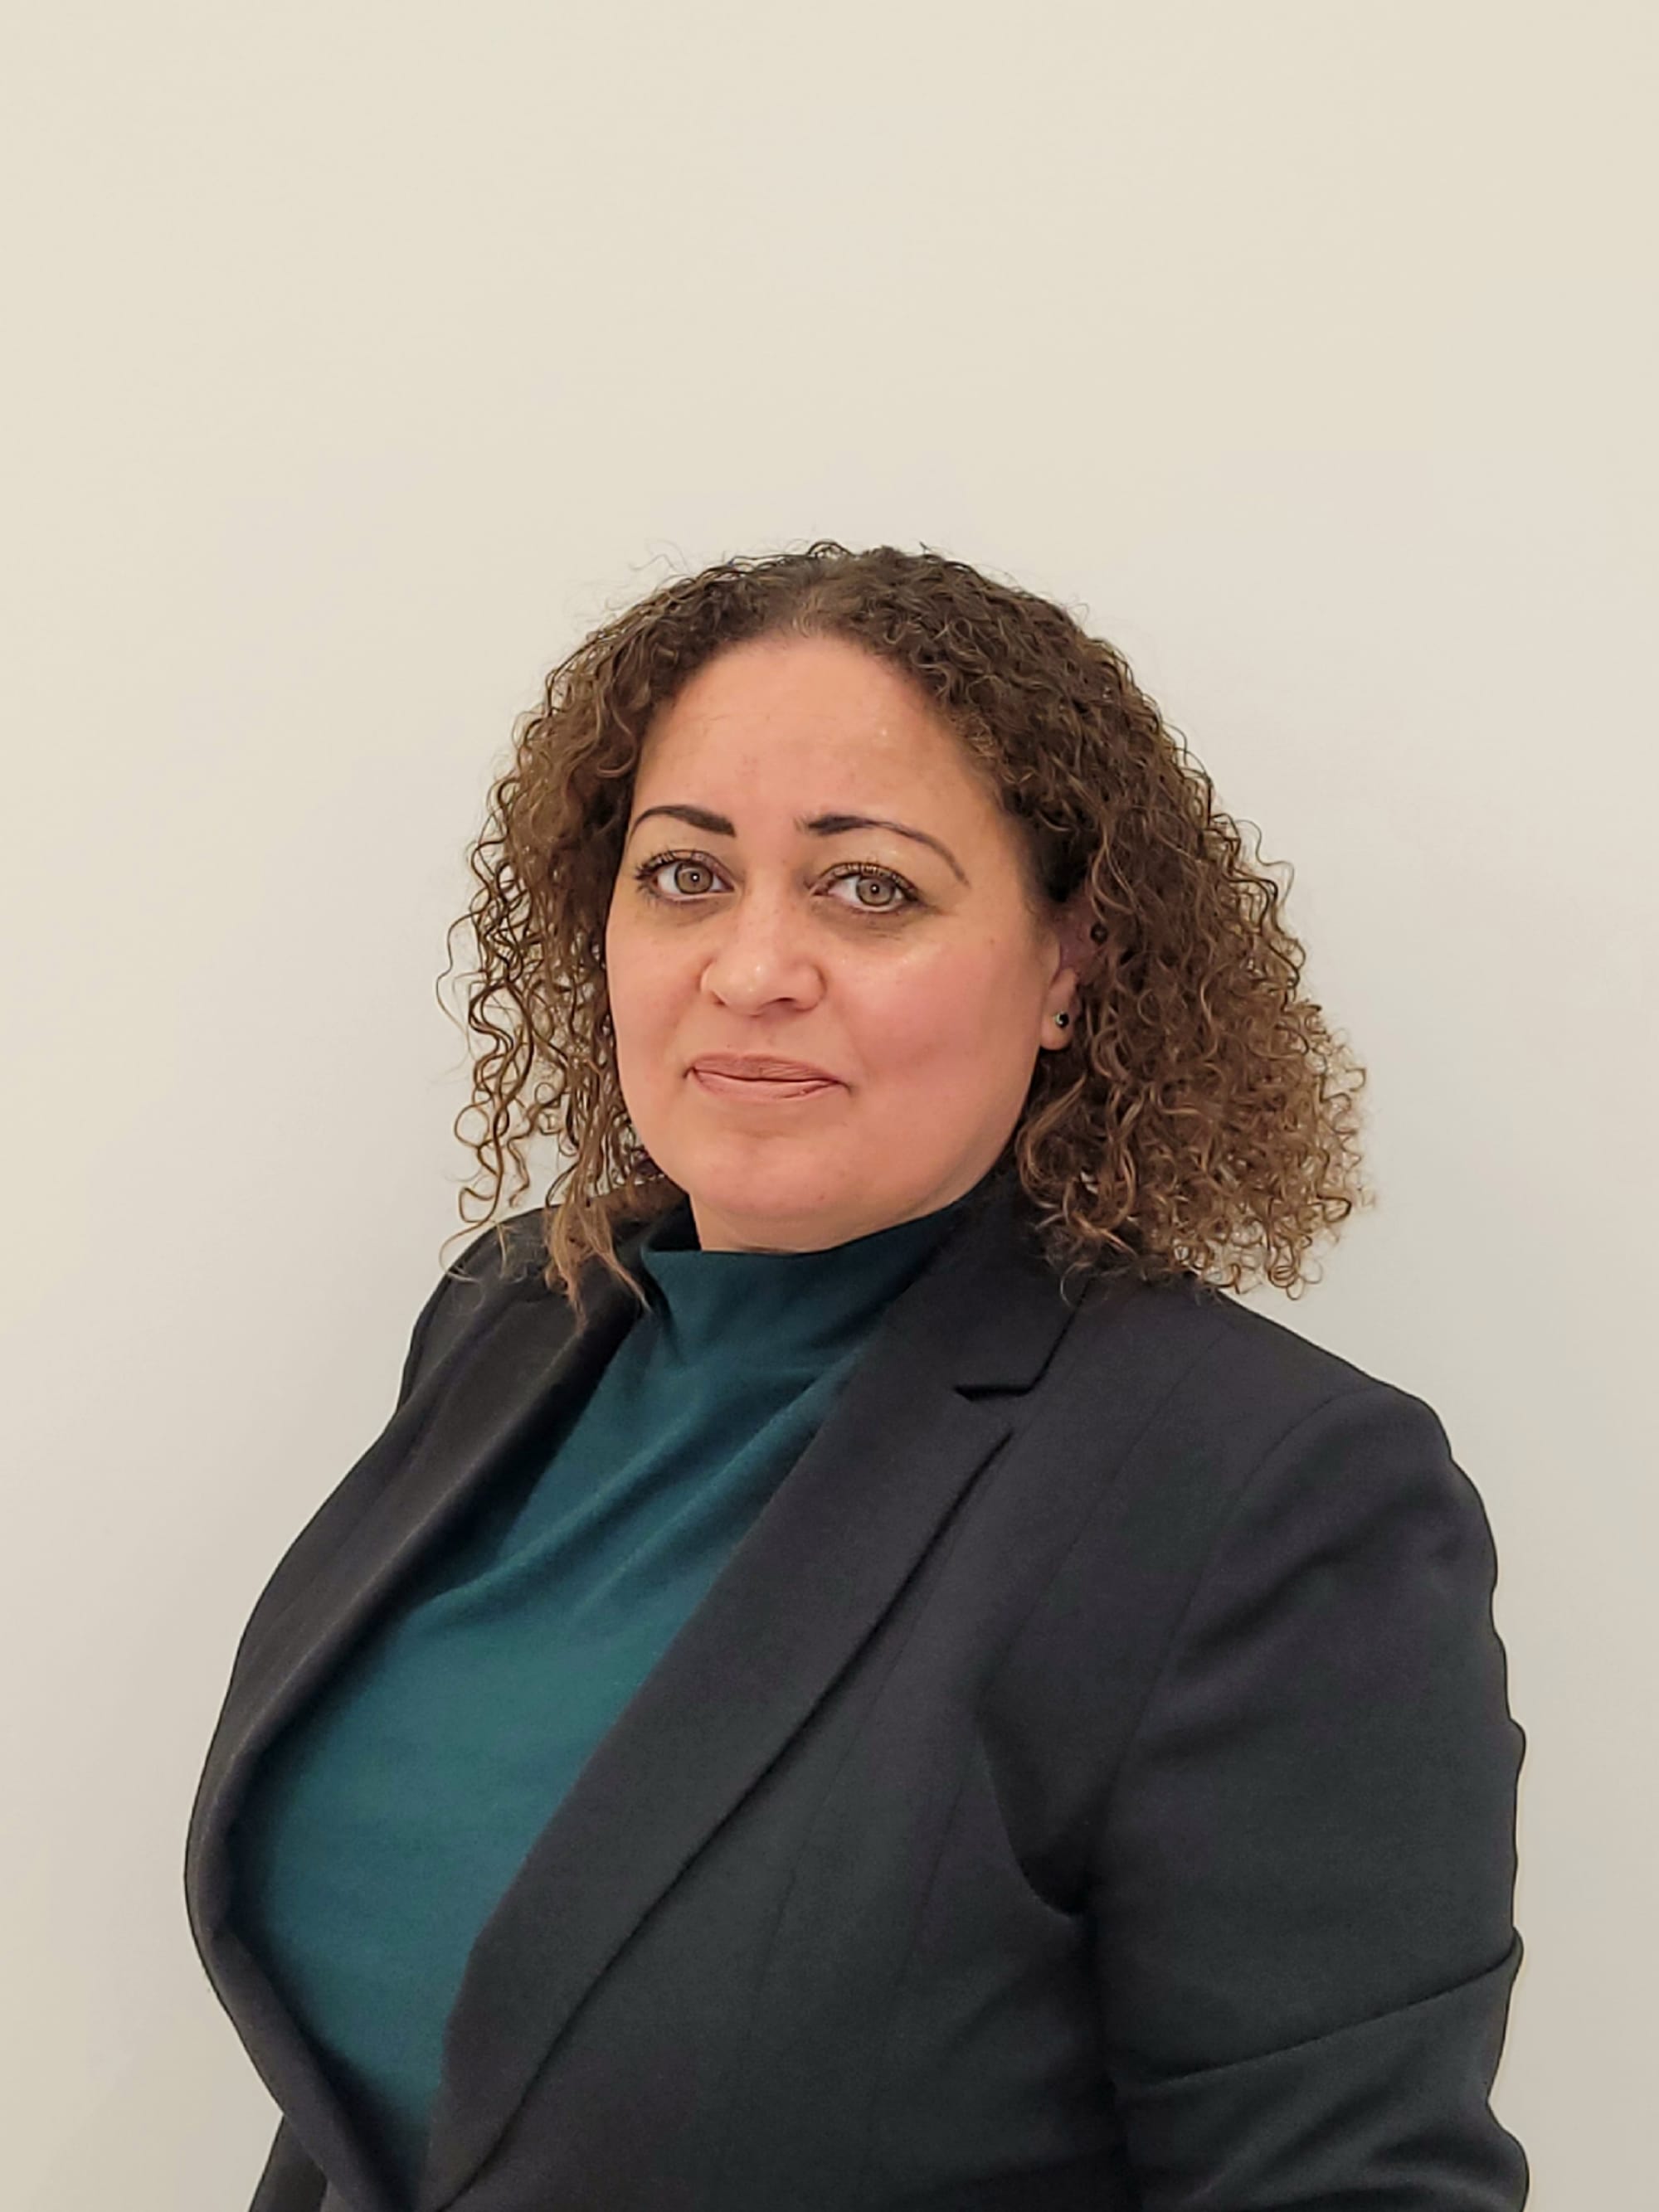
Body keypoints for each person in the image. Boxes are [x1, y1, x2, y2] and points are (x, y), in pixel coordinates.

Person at [184, 542, 1528, 2212]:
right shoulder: (514, 1313)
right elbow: (404, 2083)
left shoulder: (1270, 1492)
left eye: (869, 888)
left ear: (1068, 961)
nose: (752, 966)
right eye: (686, 873)